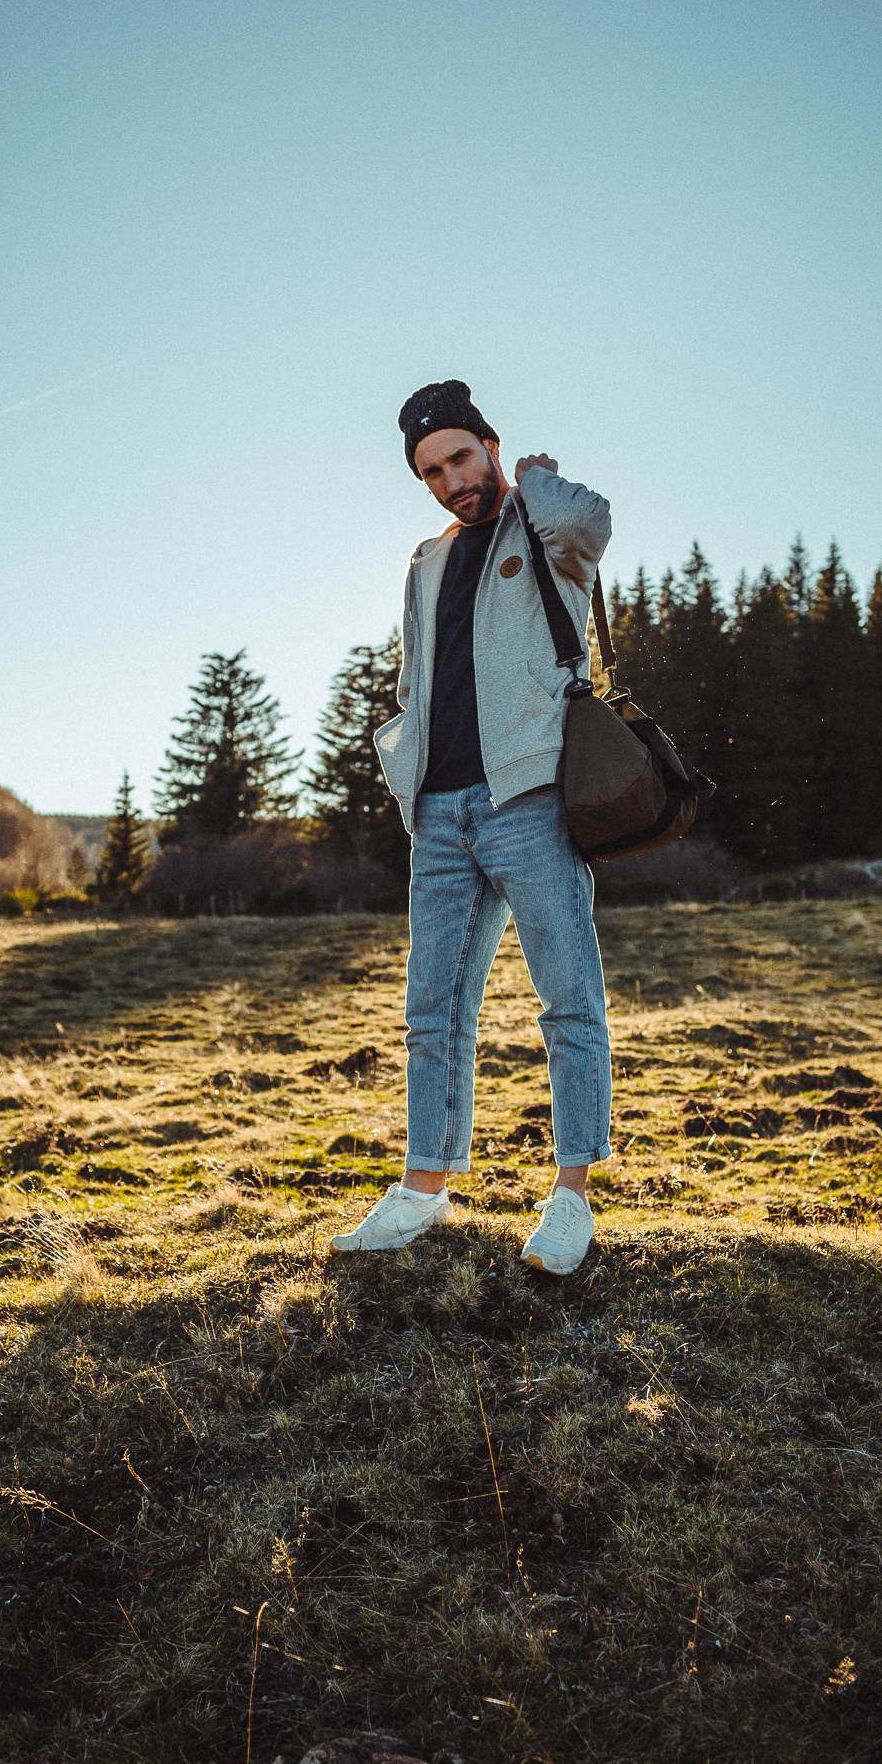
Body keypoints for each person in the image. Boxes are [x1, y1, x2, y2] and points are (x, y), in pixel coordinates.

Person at [330, 378, 613, 1275]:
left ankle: (570, 1196)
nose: (451, 480)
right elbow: (414, 679)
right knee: (432, 1011)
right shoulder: (426, 560)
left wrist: (537, 482)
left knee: (567, 999)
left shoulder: (545, 531)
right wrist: (407, 767)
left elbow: (593, 522)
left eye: (460, 457)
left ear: (488, 447)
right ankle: (423, 1191)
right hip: (440, 814)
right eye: (431, 471)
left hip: (527, 800)